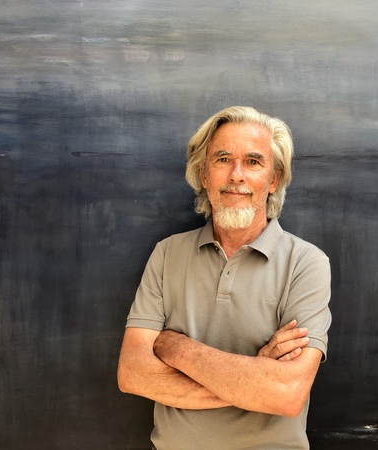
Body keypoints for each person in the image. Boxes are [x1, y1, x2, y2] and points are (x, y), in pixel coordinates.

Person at [117, 106, 332, 449]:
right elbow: (133, 374)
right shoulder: (167, 253)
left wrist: (175, 346)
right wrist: (255, 377)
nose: (236, 175)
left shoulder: (306, 264)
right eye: (222, 159)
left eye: (253, 161)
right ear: (204, 174)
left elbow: (287, 394)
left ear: (274, 180)